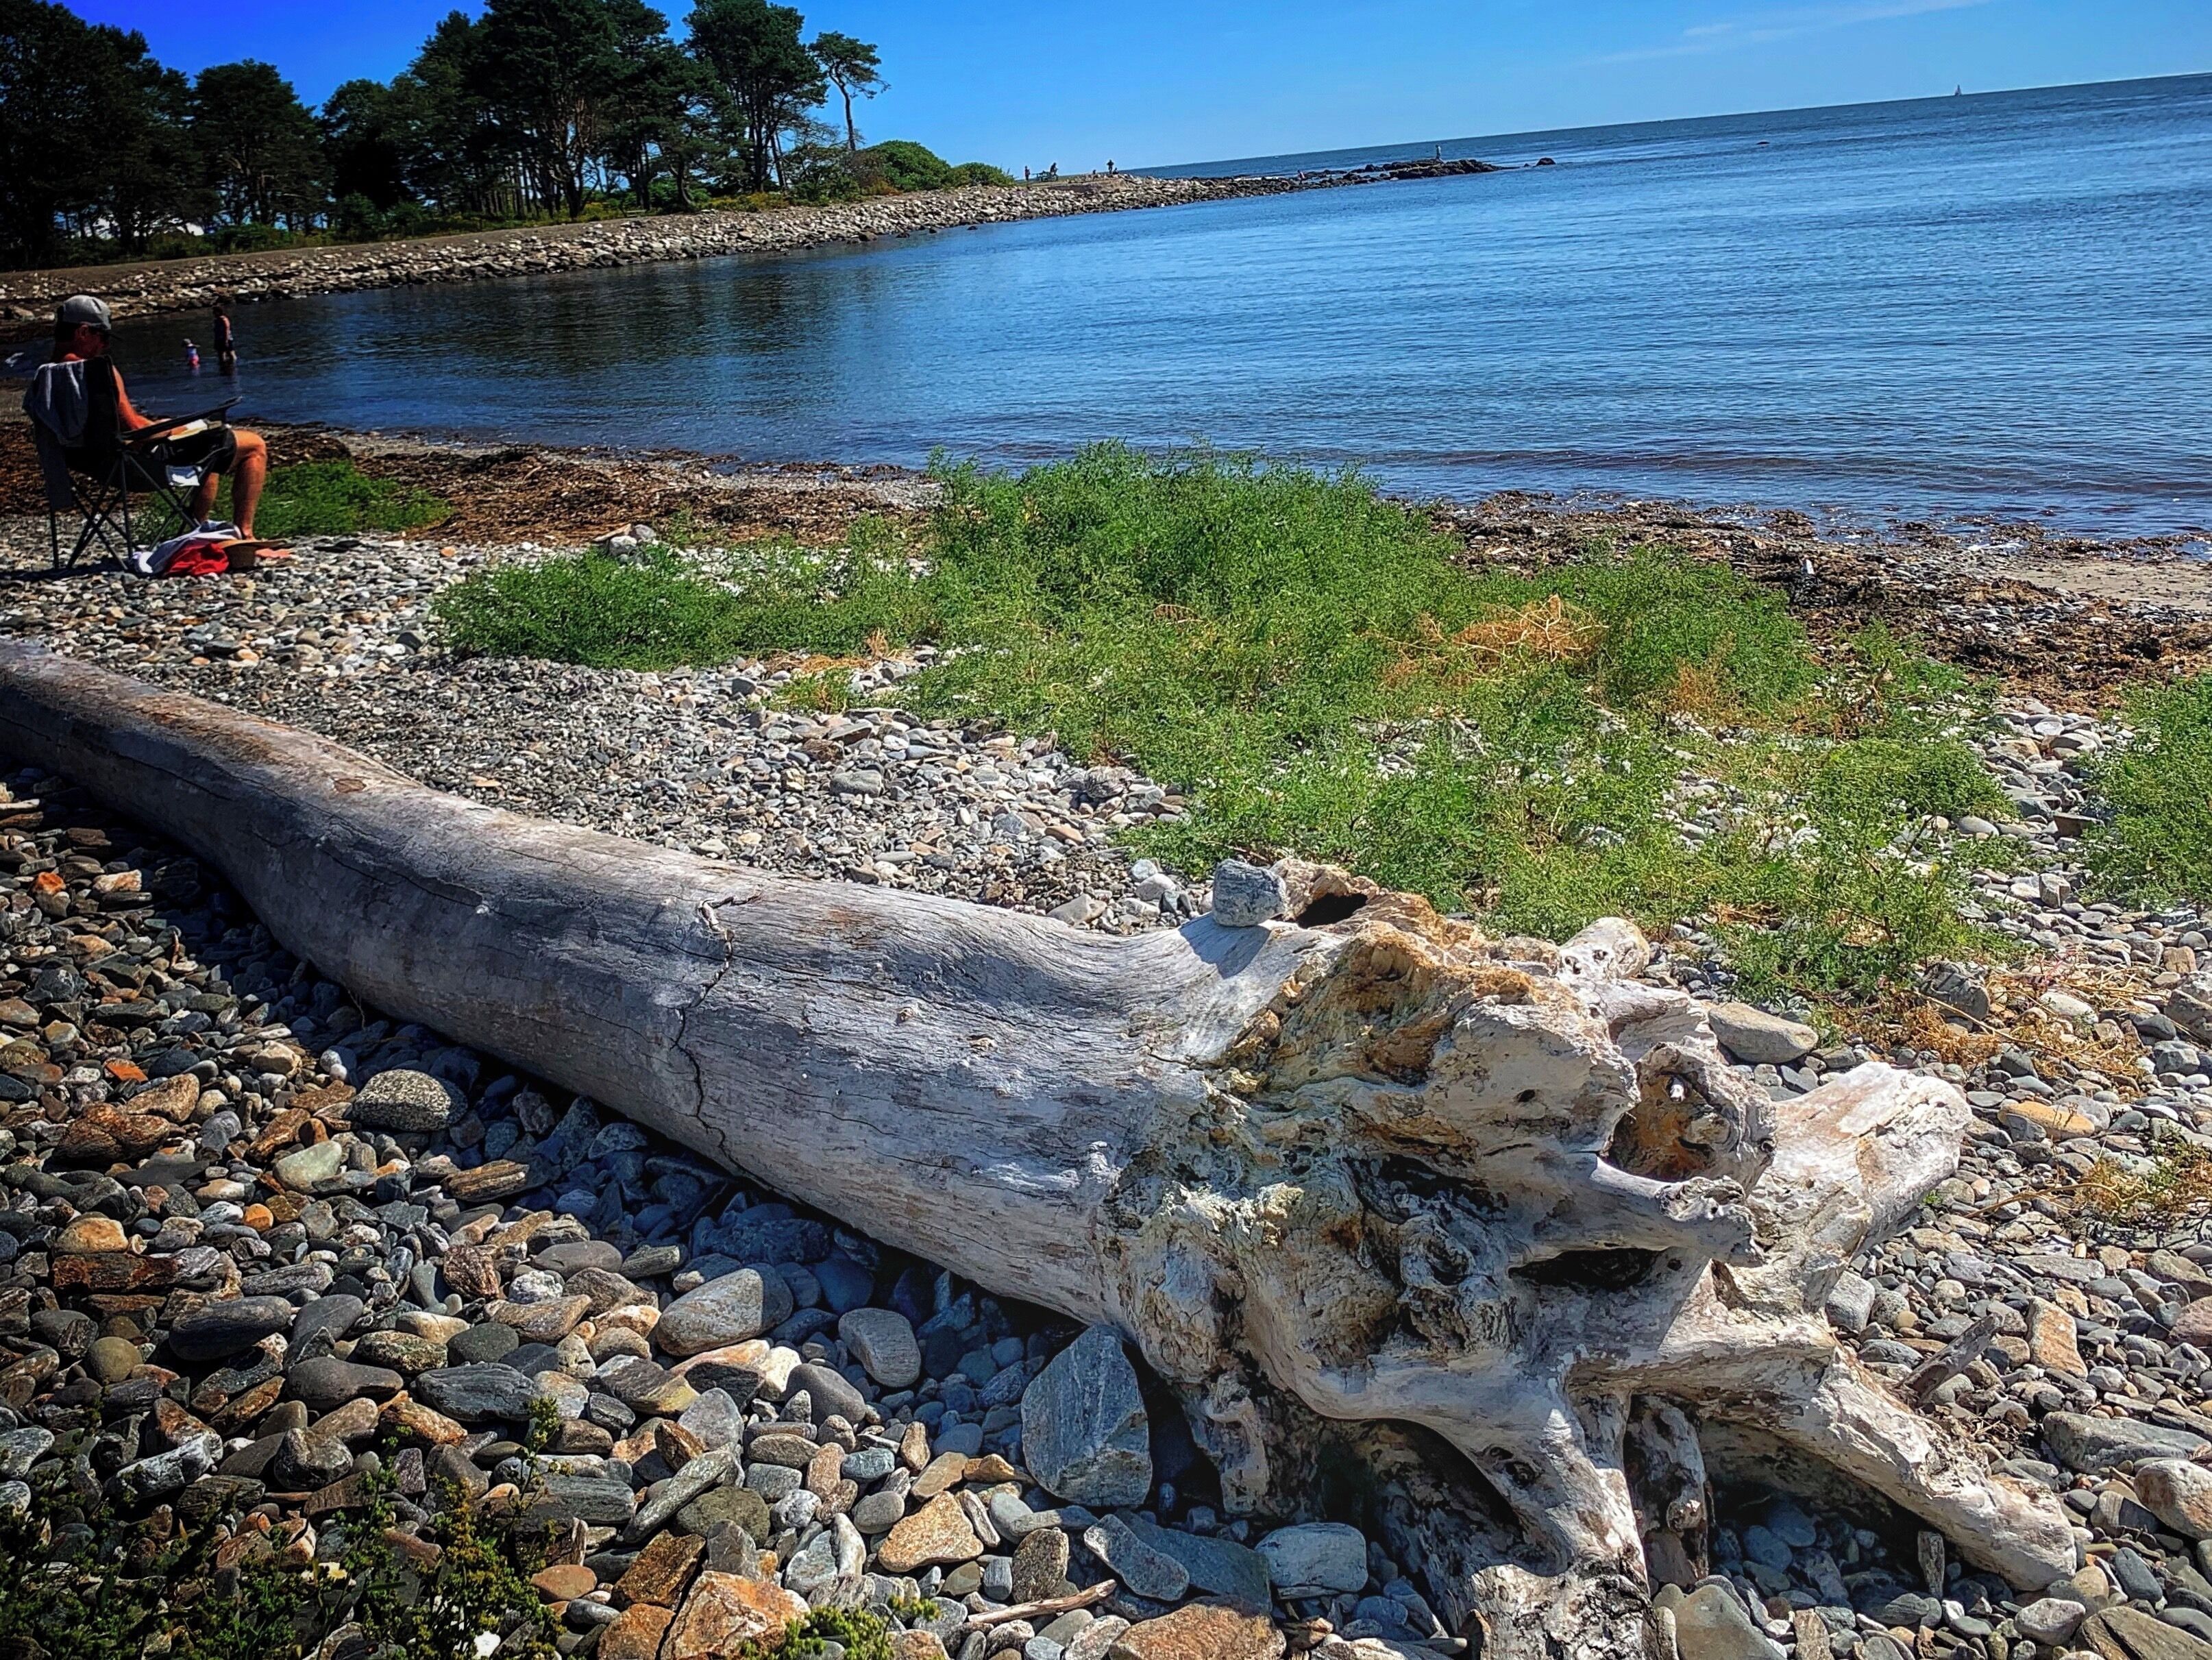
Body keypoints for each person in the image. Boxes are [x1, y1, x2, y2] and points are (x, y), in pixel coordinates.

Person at [49, 295, 269, 538]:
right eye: (103, 337)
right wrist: (169, 428)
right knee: (252, 445)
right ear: (83, 332)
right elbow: (136, 428)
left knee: (209, 444)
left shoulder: (44, 378)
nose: (105, 345)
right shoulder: (98, 371)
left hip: (91, 466)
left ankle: (198, 528)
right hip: (134, 468)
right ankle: (244, 534)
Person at [212, 300, 236, 374]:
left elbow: (227, 329)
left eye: (215, 312)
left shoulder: (224, 319)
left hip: (226, 339)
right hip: (219, 339)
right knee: (221, 354)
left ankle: (232, 366)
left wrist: (226, 340)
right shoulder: (217, 320)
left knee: (230, 353)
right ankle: (224, 366)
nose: (213, 313)